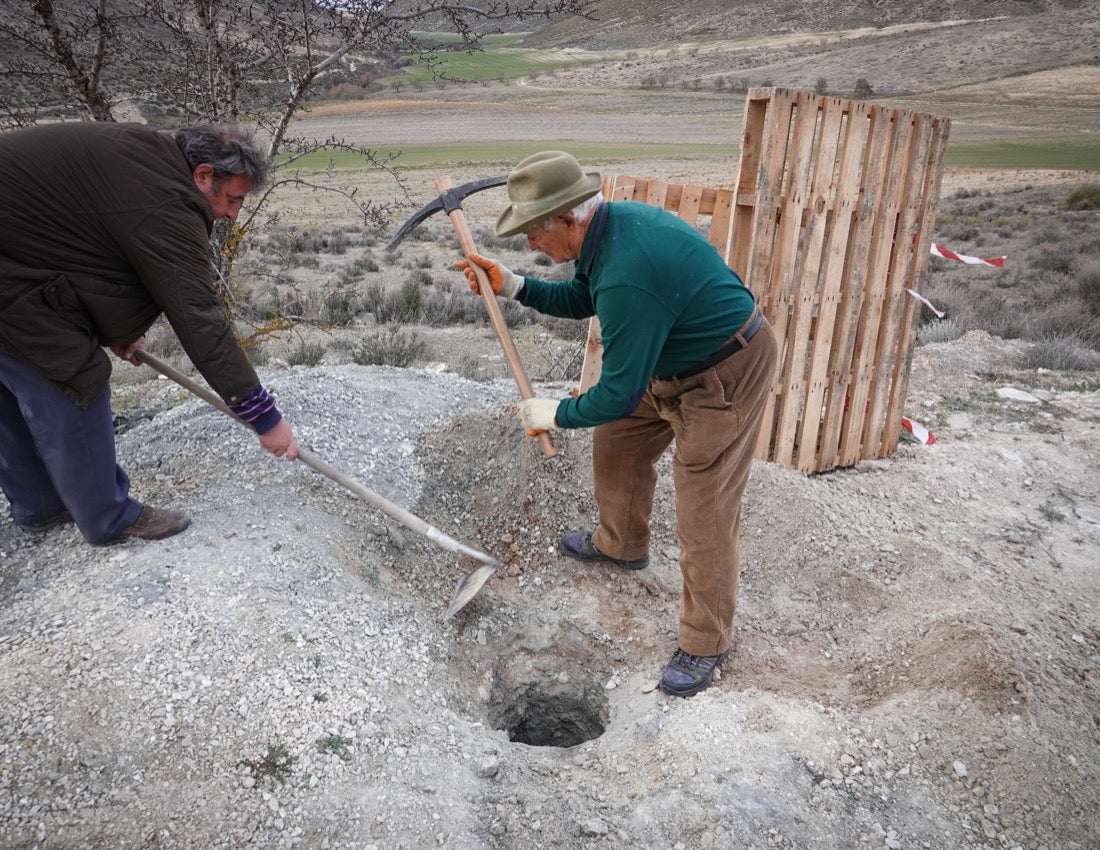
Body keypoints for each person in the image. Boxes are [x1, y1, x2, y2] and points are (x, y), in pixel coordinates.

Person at [456, 151, 778, 697]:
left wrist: (553, 412)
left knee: (704, 510)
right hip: (670, 361)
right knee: (620, 443)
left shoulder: (629, 267)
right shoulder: (606, 235)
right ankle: (621, 543)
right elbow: (586, 297)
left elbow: (615, 393)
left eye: (534, 231)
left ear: (569, 218)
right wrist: (513, 285)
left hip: (724, 372)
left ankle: (706, 641)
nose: (530, 244)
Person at [0, 121, 299, 545]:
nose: (233, 213)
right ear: (203, 175)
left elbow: (83, 250)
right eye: (232, 199)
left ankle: (39, 504)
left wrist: (118, 325)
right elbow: (198, 315)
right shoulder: (166, 201)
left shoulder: (148, 158)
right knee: (71, 370)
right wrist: (263, 416)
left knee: (11, 368)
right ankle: (109, 517)